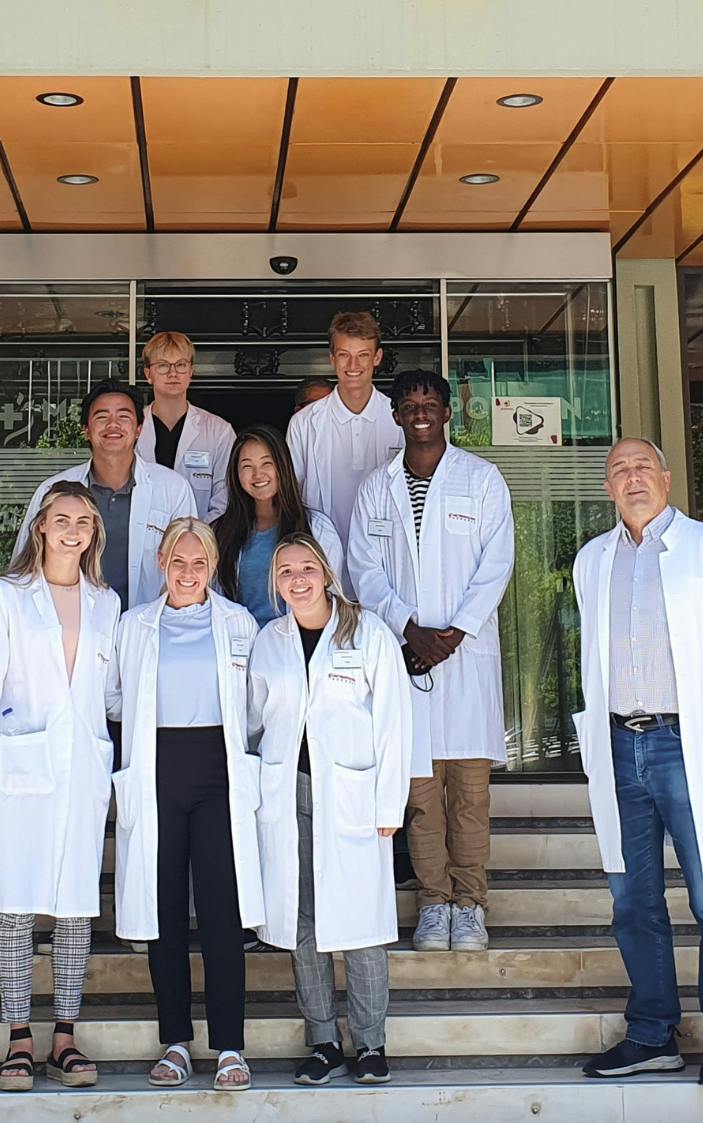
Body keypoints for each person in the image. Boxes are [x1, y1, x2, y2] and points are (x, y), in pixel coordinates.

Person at [574, 437, 703, 1087]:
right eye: (618, 470)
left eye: (641, 467)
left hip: (686, 741)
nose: (630, 478)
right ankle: (653, 1032)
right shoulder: (592, 560)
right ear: (607, 487)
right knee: (632, 898)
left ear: (667, 476)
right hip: (618, 739)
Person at [347, 368, 515, 954]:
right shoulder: (377, 487)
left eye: (430, 402)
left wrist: (455, 631)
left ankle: (470, 904)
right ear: (395, 416)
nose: (420, 411)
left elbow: (497, 563)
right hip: (407, 658)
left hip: (465, 659)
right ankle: (434, 904)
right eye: (409, 403)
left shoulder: (482, 480)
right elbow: (363, 568)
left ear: (448, 413)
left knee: (468, 797)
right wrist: (408, 629)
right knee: (419, 799)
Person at [0, 481, 119, 1091]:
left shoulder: (106, 602)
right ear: (40, 527)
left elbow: (111, 693)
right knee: (17, 907)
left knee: (76, 904)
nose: (73, 528)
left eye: (84, 519)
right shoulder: (5, 597)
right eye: (62, 518)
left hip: (83, 768)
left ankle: (66, 1035)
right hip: (18, 770)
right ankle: (18, 1037)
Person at [106, 517, 265, 1091]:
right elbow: (115, 698)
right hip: (157, 767)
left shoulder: (239, 624)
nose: (189, 573)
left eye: (199, 563)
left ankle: (229, 1046)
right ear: (161, 565)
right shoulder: (134, 625)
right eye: (179, 562)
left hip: (218, 769)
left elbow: (253, 707)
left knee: (221, 912)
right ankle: (174, 1040)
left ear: (214, 566)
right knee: (163, 908)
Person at [248, 534, 411, 1086]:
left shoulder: (366, 633)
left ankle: (370, 1043)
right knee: (302, 924)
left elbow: (393, 723)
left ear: (326, 573)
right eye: (285, 571)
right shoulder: (268, 641)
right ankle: (323, 1042)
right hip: (286, 794)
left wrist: (390, 800)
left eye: (307, 568)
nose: (297, 579)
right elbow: (253, 723)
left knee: (362, 924)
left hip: (353, 798)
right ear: (276, 582)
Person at [18, 379, 197, 609]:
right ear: (86, 431)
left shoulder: (173, 489)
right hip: (72, 628)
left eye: (124, 416)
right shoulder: (53, 492)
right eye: (102, 417)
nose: (113, 424)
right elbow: (25, 565)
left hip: (147, 629)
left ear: (139, 430)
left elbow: (193, 565)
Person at [288, 312, 404, 556]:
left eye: (363, 355)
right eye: (344, 355)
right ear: (332, 358)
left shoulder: (399, 418)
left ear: (377, 357)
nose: (353, 366)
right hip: (322, 554)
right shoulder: (304, 423)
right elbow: (289, 496)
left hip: (386, 553)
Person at [213, 424, 345, 627]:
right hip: (240, 645)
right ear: (235, 473)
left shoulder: (317, 529)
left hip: (294, 646)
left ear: (282, 466)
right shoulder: (221, 532)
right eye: (247, 466)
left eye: (267, 463)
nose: (258, 474)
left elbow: (332, 597)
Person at [135, 330, 237, 520]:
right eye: (163, 366)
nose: (173, 373)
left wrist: (196, 538)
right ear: (148, 374)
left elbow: (225, 499)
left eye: (181, 365)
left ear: (191, 372)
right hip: (143, 540)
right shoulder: (132, 427)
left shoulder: (219, 431)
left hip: (200, 543)